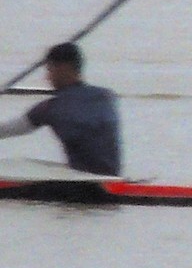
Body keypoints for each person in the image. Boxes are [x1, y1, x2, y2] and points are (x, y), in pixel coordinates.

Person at [0, 42, 122, 175]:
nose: (47, 77)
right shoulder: (106, 96)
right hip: (113, 177)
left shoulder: (50, 108)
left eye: (50, 70)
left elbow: (9, 129)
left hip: (82, 181)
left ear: (63, 68)